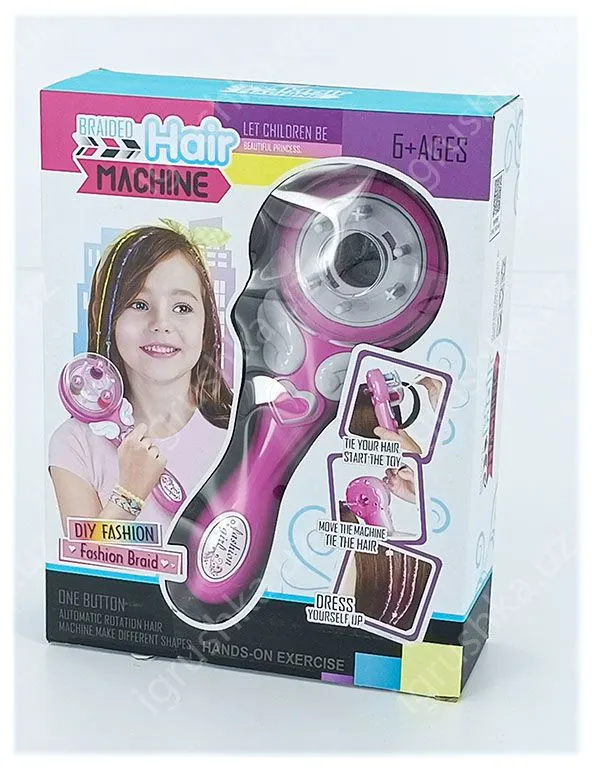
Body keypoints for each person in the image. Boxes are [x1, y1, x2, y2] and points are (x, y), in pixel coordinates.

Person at [48, 222, 232, 532]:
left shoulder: (238, 432)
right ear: (107, 317)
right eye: (139, 304)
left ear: (207, 325)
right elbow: (82, 559)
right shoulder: (75, 442)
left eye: (182, 307)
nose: (161, 323)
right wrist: (129, 493)